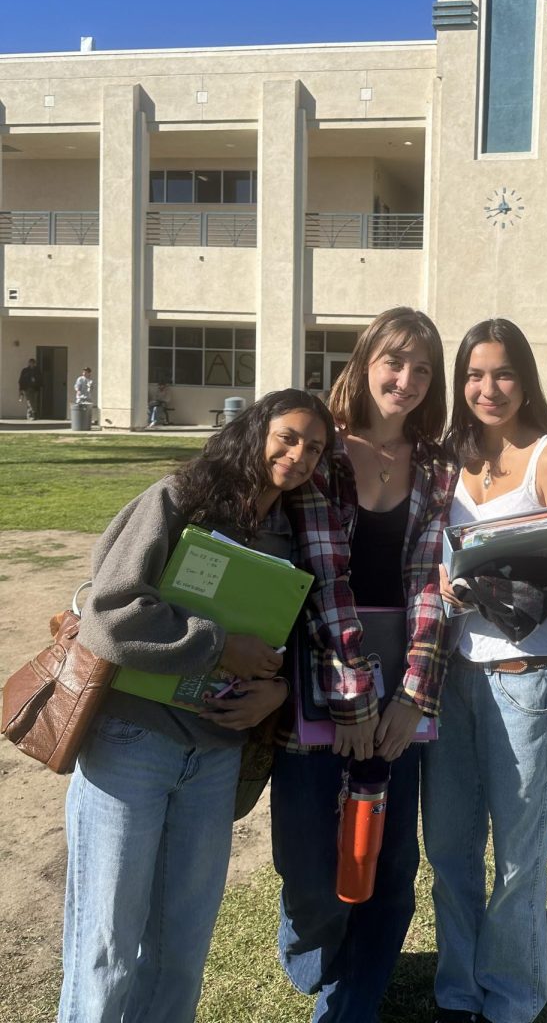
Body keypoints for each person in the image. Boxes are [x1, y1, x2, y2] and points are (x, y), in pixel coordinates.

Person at [58, 388, 334, 1023]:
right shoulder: (180, 497)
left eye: (314, 448)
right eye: (288, 436)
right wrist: (216, 647)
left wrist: (278, 688)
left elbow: (284, 639)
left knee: (181, 949)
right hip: (134, 744)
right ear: (257, 429)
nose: (298, 455)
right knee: (106, 949)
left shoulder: (289, 532)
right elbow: (109, 615)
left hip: (212, 760)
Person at [271, 307, 457, 1023]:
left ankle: (348, 1009)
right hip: (320, 680)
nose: (405, 380)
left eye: (422, 368)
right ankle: (319, 965)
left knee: (392, 867)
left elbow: (432, 588)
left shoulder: (440, 466)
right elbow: (325, 578)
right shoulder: (324, 452)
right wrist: (353, 699)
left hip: (408, 681)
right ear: (365, 359)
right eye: (393, 361)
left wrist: (412, 698)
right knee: (312, 872)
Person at [422, 318, 547, 1023]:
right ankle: (458, 994)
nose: (487, 388)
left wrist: (526, 596)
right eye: (474, 374)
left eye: (502, 374)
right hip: (448, 679)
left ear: (524, 379)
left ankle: (513, 1000)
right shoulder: (447, 459)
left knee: (521, 858)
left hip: (522, 677)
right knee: (449, 850)